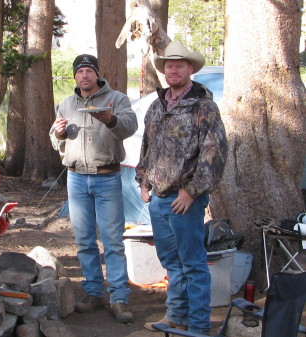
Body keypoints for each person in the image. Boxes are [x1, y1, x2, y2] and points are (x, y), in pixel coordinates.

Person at [135, 42, 228, 335]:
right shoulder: (156, 105)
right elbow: (147, 147)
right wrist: (143, 181)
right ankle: (176, 317)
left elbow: (214, 153)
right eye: (169, 66)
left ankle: (199, 325)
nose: (173, 70)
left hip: (184, 200)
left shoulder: (204, 106)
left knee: (193, 264)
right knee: (171, 262)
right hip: (158, 199)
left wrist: (192, 191)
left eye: (179, 65)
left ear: (190, 69)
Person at [49, 54, 138, 323]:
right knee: (84, 240)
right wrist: (59, 133)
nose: (84, 76)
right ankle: (93, 292)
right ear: (75, 76)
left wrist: (111, 119)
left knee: (113, 241)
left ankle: (119, 298)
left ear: (97, 75)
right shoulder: (66, 103)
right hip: (76, 179)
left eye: (89, 71)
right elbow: (56, 141)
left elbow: (130, 127)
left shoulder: (117, 99)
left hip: (107, 177)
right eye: (80, 72)